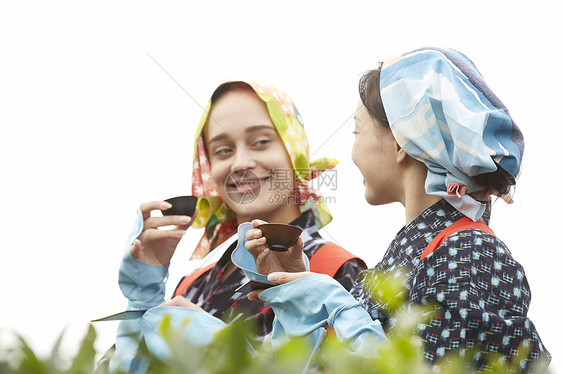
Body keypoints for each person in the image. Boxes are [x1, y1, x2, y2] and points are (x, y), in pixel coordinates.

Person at [244, 47, 551, 371]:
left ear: (401, 142)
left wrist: (335, 304)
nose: (353, 152)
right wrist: (296, 293)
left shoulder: (470, 251)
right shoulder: (428, 251)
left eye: (357, 131)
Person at [107, 80, 366, 372]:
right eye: (223, 150)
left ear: (295, 152)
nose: (240, 163)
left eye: (261, 142)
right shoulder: (193, 283)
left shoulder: (335, 269)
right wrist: (143, 297)